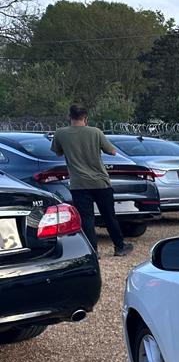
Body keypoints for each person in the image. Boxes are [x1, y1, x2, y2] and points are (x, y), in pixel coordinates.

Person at [50, 104, 132, 257]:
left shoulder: (60, 134)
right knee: (109, 216)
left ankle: (92, 251)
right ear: (86, 118)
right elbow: (112, 152)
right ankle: (119, 247)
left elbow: (57, 153)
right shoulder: (95, 132)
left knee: (87, 219)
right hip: (100, 182)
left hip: (78, 183)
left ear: (70, 117)